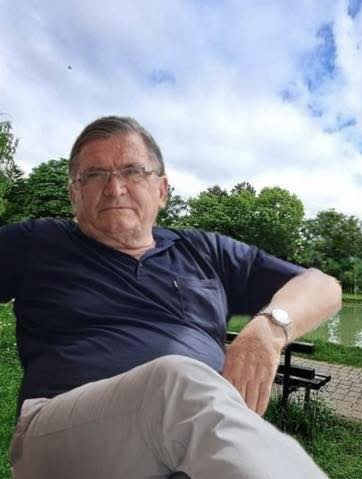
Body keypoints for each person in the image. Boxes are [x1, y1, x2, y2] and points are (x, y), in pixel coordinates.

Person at [1, 116, 342, 478]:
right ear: (74, 193)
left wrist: (268, 331)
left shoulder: (204, 250)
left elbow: (322, 286)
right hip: (64, 434)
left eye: (132, 172)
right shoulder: (39, 242)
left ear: (162, 190)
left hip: (187, 440)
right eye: (95, 175)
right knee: (174, 384)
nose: (114, 189)